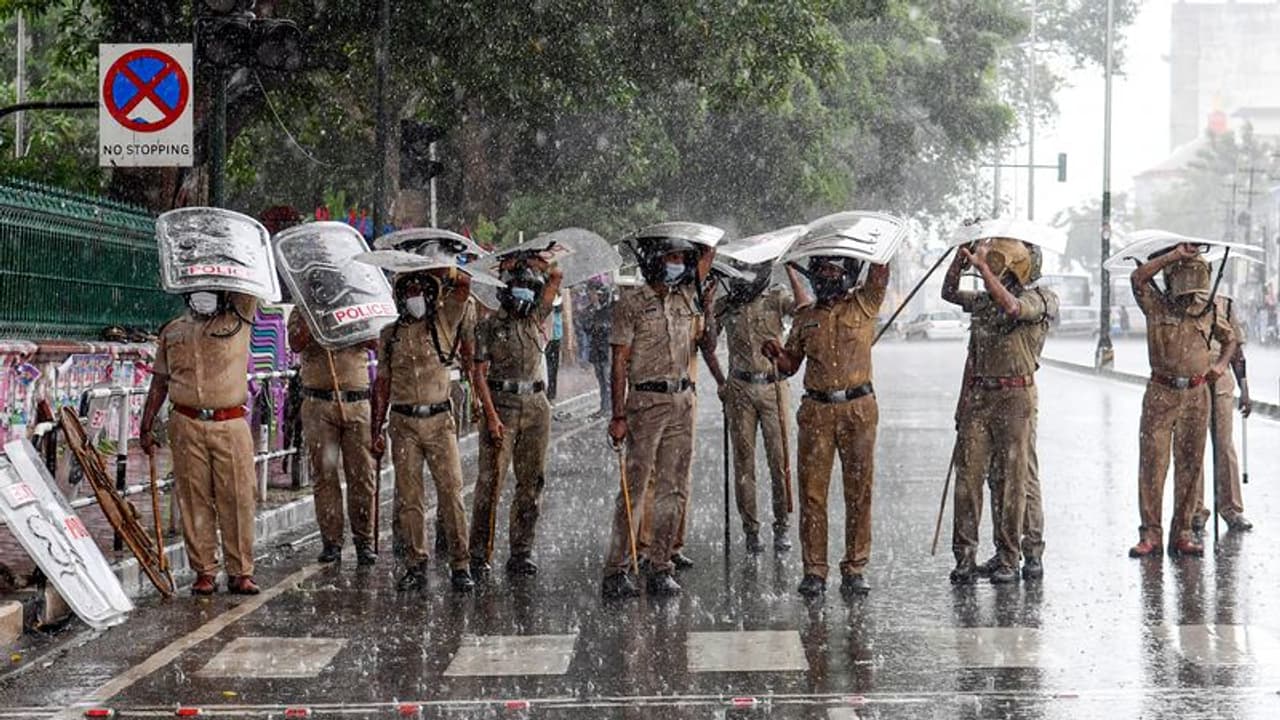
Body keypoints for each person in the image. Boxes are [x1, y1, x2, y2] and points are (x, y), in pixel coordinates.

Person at [601, 224, 718, 599]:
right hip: (645, 403)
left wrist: (699, 248)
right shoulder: (631, 304)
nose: (678, 264)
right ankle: (617, 569)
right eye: (672, 257)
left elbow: (707, 257)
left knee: (674, 488)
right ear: (654, 261)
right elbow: (619, 362)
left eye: (682, 258)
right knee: (635, 488)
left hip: (682, 401)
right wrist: (618, 415)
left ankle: (660, 565)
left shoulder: (687, 297)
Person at [762, 254, 888, 598]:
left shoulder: (865, 302)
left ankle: (855, 567)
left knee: (858, 490)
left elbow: (880, 269)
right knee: (812, 493)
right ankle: (814, 570)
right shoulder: (805, 317)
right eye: (820, 270)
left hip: (858, 410)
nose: (827, 276)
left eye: (834, 270)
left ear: (847, 273)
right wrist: (776, 354)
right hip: (816, 412)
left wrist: (873, 246)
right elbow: (790, 365)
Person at [370, 262, 497, 592]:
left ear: (430, 294)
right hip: (403, 423)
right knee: (410, 498)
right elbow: (382, 383)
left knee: (451, 493)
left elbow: (464, 285)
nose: (414, 297)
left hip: (440, 422)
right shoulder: (389, 335)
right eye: (408, 291)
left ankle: (460, 564)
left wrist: (441, 269)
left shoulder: (445, 321)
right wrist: (376, 429)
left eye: (419, 290)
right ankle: (416, 564)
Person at [942, 238, 1058, 584]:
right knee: (969, 479)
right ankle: (965, 557)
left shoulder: (1041, 298)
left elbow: (1013, 308)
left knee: (1014, 481)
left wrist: (983, 269)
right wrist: (959, 260)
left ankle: (1013, 555)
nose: (995, 265)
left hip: (1016, 398)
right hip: (980, 397)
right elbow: (949, 293)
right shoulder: (983, 301)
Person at [139, 290, 260, 596]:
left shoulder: (239, 318)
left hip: (230, 423)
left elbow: (248, 287)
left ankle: (240, 571)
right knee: (193, 498)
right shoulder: (172, 331)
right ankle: (204, 570)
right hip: (186, 422)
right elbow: (160, 381)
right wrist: (146, 424)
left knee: (238, 497)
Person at [1127, 243, 1236, 558]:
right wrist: (1174, 255)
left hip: (1196, 394)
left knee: (1190, 465)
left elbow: (1230, 339)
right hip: (1161, 393)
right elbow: (1138, 278)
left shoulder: (1208, 308)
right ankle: (1150, 534)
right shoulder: (1156, 304)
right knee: (1153, 465)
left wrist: (1220, 365)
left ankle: (1183, 532)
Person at [469, 254, 563, 578]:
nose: (524, 292)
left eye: (529, 287)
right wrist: (491, 416)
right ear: (506, 289)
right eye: (518, 286)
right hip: (502, 405)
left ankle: (521, 551)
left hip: (536, 406)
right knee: (490, 483)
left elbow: (556, 278)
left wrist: (538, 262)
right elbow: (478, 374)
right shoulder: (489, 326)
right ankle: (479, 554)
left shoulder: (536, 317)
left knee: (532, 483)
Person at [700, 262, 805, 554]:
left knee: (780, 461)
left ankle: (781, 526)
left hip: (774, 386)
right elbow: (707, 344)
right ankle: (751, 530)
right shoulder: (726, 304)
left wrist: (792, 271)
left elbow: (802, 310)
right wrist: (707, 307)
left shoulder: (776, 297)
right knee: (743, 464)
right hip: (740, 389)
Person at [287, 310, 378, 567]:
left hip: (356, 401)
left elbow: (374, 342)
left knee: (362, 475)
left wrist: (349, 322)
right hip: (318, 402)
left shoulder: (358, 304)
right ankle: (331, 541)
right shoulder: (304, 308)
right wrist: (315, 319)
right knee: (325, 476)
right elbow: (296, 343)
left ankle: (364, 540)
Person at [1194, 295, 1253, 534]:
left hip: (1220, 382)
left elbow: (1236, 351)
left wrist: (1244, 388)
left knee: (1224, 446)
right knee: (1193, 448)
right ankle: (1195, 510)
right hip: (1192, 382)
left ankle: (1231, 508)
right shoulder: (1182, 302)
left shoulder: (1225, 305)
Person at [586, 283, 614, 419]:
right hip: (596, 349)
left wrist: (601, 325)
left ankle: (610, 408)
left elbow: (611, 327)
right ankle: (604, 407)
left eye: (597, 295)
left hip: (606, 349)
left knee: (607, 379)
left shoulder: (610, 309)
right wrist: (593, 315)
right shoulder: (590, 310)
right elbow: (586, 327)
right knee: (601, 380)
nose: (594, 297)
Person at [545, 296, 564, 401]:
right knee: (551, 367)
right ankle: (551, 392)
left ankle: (551, 392)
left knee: (551, 367)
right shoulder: (556, 306)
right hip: (552, 338)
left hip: (552, 338)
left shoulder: (555, 306)